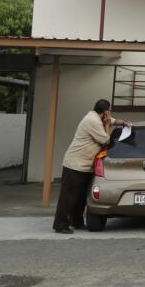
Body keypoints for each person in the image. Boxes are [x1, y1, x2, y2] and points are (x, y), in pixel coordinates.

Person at [52, 99, 132, 234]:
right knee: (69, 196)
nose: (109, 116)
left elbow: (112, 120)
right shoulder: (92, 121)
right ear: (105, 111)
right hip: (75, 164)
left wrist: (124, 123)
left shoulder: (97, 117)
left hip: (85, 165)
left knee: (81, 196)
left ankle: (76, 221)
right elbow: (106, 140)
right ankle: (60, 224)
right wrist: (107, 125)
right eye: (109, 112)